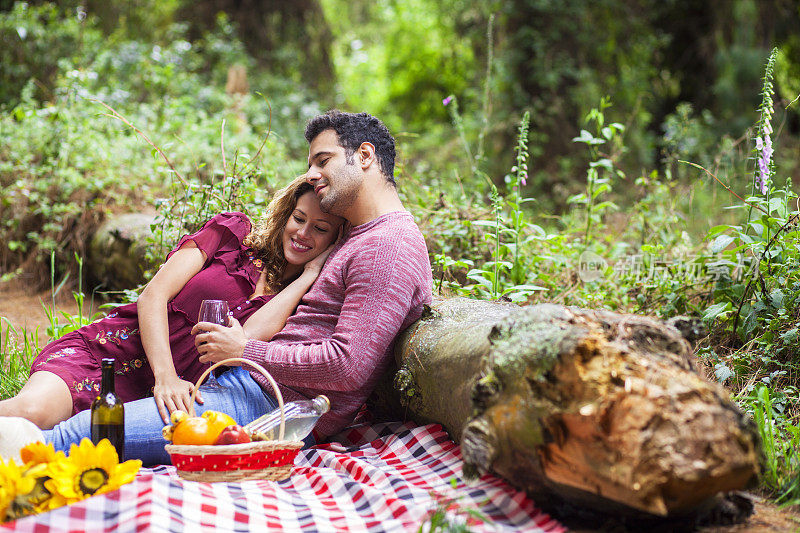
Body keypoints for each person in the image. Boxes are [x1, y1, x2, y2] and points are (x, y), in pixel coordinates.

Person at [1, 110, 433, 466]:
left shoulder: (387, 245)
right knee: (65, 430)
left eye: (322, 160)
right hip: (232, 382)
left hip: (266, 402)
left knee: (77, 438)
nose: (311, 173)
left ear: (364, 156)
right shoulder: (360, 236)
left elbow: (346, 367)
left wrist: (244, 353)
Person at [0, 177, 344, 430]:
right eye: (299, 219)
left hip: (160, 404)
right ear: (286, 215)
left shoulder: (299, 303)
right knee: (33, 413)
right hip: (109, 355)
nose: (303, 233)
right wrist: (165, 377)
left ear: (334, 240)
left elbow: (246, 338)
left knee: (60, 446)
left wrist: (308, 276)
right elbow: (153, 296)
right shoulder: (231, 234)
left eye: (320, 229)